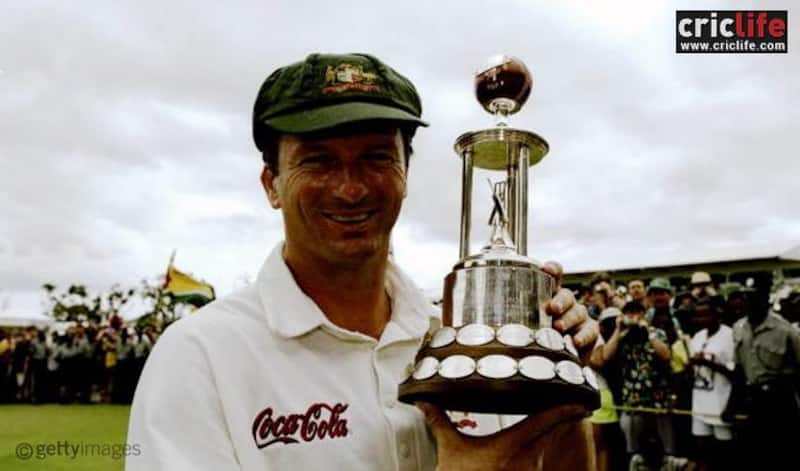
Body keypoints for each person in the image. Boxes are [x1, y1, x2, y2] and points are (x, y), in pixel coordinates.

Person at [127, 52, 600, 471]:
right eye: (318, 161)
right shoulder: (200, 355)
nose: (351, 188)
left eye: (376, 158)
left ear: (405, 173)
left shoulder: (458, 339)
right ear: (272, 184)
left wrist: (561, 384)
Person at [724, 289, 800, 469]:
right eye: (747, 298)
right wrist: (731, 405)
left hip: (780, 400)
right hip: (753, 398)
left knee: (783, 451)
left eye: (755, 298)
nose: (750, 303)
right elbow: (739, 370)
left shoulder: (785, 330)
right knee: (755, 453)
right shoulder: (738, 328)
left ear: (766, 301)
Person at [594, 300, 673, 466]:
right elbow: (606, 356)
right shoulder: (623, 335)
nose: (634, 316)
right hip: (632, 400)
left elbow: (665, 355)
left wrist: (648, 331)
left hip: (657, 400)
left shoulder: (656, 332)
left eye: (638, 312)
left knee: (665, 446)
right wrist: (618, 330)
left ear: (644, 314)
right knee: (633, 448)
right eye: (630, 313)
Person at [688, 296, 734, 470]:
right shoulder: (698, 337)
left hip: (721, 402)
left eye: (706, 315)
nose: (701, 319)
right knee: (702, 449)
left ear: (717, 314)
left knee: (723, 451)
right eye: (698, 315)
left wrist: (707, 363)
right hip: (700, 402)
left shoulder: (729, 335)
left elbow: (735, 373)